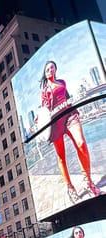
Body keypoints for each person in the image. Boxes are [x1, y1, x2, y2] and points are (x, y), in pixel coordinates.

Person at [36, 60, 100, 203]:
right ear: (45, 74)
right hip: (56, 123)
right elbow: (45, 109)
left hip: (70, 116)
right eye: (47, 69)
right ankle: (70, 188)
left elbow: (68, 97)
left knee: (81, 143)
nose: (50, 70)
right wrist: (39, 117)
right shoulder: (44, 91)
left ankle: (88, 182)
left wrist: (73, 108)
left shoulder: (62, 82)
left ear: (56, 69)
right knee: (61, 157)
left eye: (52, 67)